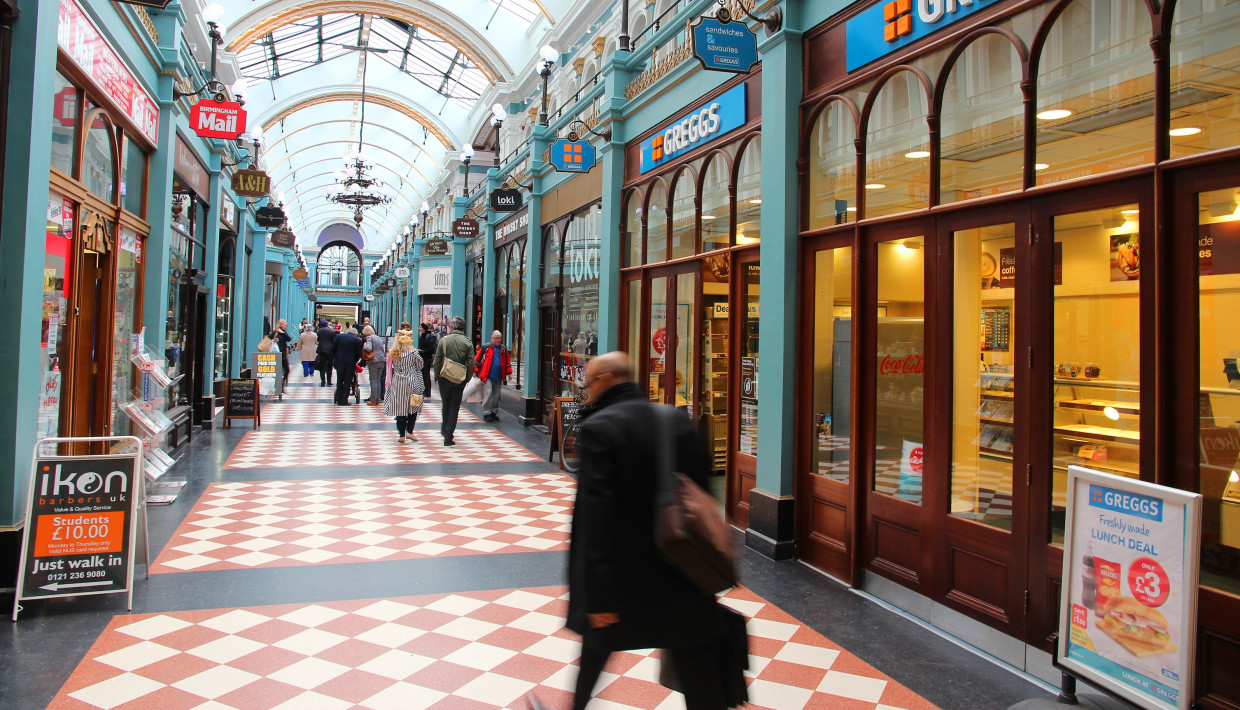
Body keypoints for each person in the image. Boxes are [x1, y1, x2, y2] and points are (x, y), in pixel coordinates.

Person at [527, 352, 739, 710]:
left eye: (591, 381)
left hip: (623, 577)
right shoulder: (676, 420)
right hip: (681, 571)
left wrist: (596, 598)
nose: (587, 390)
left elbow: (595, 520)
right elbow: (702, 497)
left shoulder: (601, 428)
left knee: (595, 653)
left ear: (608, 379)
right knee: (696, 666)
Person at [432, 317, 474, 446]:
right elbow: (471, 363)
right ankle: (449, 435)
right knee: (454, 406)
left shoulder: (444, 340)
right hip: (459, 378)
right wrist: (467, 378)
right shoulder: (467, 342)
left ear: (453, 327)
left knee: (446, 404)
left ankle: (445, 429)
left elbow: (437, 360)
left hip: (444, 377)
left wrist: (436, 375)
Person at [383, 328, 424, 442]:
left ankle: (401, 435)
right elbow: (420, 365)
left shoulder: (393, 353)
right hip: (412, 381)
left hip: (397, 382)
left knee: (400, 409)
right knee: (413, 406)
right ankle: (409, 431)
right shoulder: (414, 353)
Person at [474, 330, 512, 422]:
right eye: (496, 338)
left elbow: (507, 362)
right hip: (487, 376)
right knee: (488, 393)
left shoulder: (503, 349)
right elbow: (477, 359)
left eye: (500, 338)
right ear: (492, 339)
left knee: (496, 396)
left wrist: (509, 373)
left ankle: (493, 412)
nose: (498, 340)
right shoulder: (486, 347)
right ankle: (486, 413)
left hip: (498, 376)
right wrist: (475, 371)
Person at [333, 326, 364, 405]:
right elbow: (358, 354)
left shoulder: (339, 337)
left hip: (339, 362)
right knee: (347, 382)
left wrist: (336, 358)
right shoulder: (357, 340)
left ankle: (338, 399)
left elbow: (333, 349)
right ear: (355, 334)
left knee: (339, 381)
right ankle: (344, 400)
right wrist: (355, 361)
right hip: (350, 364)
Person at [362, 325, 387, 406]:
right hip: (382, 359)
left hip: (374, 360)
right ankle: (378, 398)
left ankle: (373, 400)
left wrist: (364, 346)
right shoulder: (378, 337)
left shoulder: (369, 338)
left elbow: (368, 348)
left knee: (373, 380)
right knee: (378, 380)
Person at [417, 323, 438, 400]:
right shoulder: (422, 336)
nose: (419, 328)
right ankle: (424, 390)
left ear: (424, 328)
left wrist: (422, 351)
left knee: (426, 375)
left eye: (420, 327)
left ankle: (427, 391)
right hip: (422, 358)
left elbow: (431, 349)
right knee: (422, 374)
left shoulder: (428, 337)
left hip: (427, 359)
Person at [271, 319, 292, 388]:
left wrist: (283, 333)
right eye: (284, 325)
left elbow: (289, 339)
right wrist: (273, 340)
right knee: (276, 371)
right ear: (280, 325)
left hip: (283, 354)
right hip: (276, 354)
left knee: (287, 370)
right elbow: (268, 339)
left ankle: (281, 385)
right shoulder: (275, 332)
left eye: (286, 325)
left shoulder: (284, 333)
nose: (285, 326)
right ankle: (276, 386)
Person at [316, 320, 337, 387]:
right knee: (329, 366)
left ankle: (323, 381)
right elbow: (334, 341)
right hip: (330, 350)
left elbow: (318, 340)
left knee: (322, 366)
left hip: (322, 350)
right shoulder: (331, 331)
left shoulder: (319, 331)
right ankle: (329, 381)